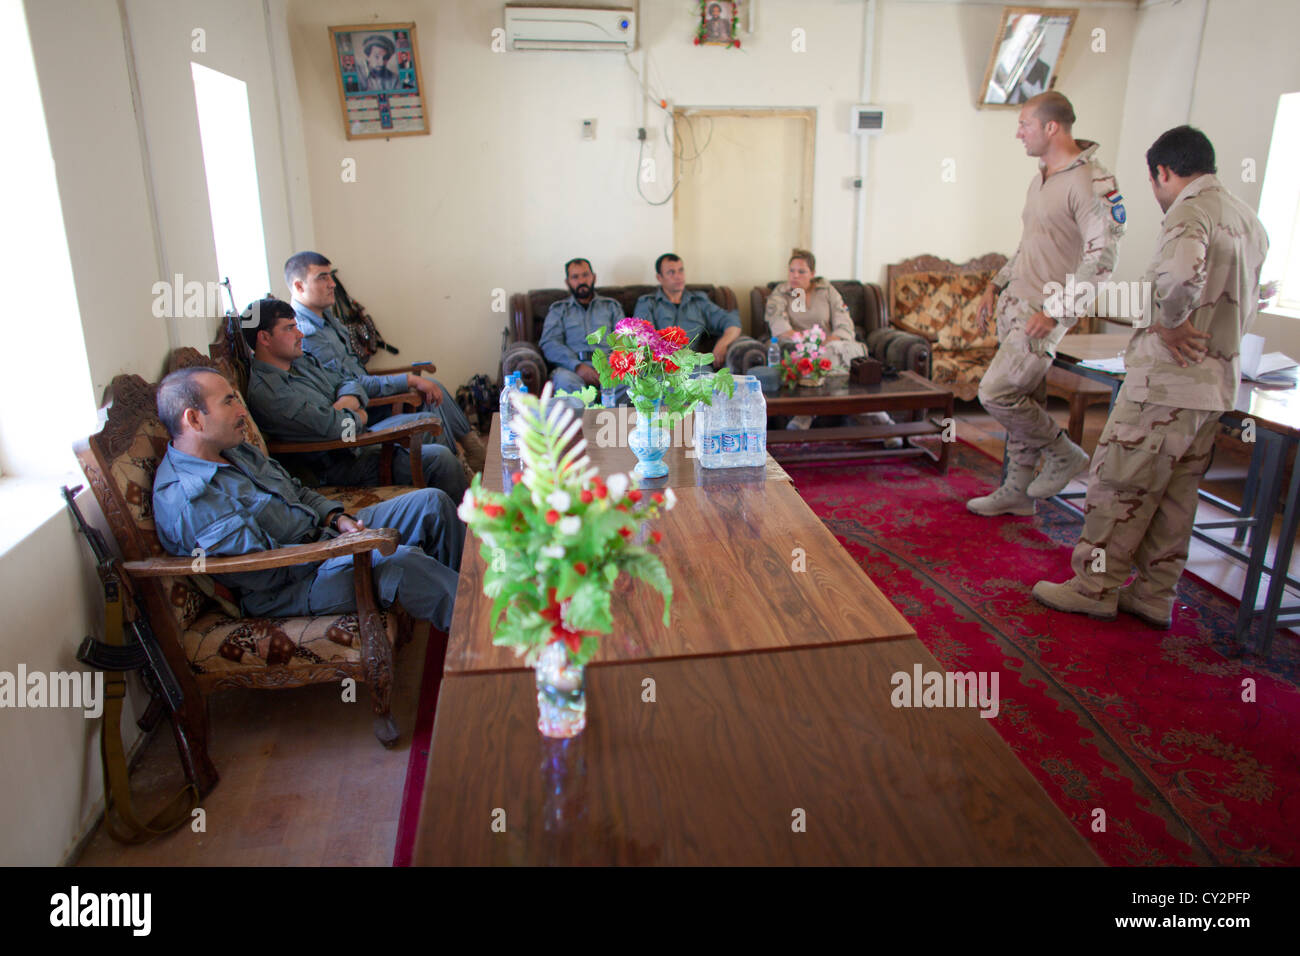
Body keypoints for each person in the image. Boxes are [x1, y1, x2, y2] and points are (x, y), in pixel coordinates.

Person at [1032, 126, 1268, 627]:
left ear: (1162, 171)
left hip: (1166, 385)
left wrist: (1173, 320)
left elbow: (1179, 276)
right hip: (1213, 389)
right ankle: (1156, 596)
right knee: (1176, 501)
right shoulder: (1248, 220)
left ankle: (1094, 587)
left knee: (1119, 486)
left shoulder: (1190, 211)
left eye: (1154, 183)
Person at [152, 366, 462, 630]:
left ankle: (471, 595)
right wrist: (341, 549)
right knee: (402, 563)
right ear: (194, 420)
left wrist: (337, 519)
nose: (242, 411)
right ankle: (487, 631)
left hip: (323, 538)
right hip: (297, 583)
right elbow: (265, 573)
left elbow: (296, 491)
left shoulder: (233, 450)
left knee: (430, 504)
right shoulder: (192, 498)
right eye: (229, 401)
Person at [969, 91, 1126, 517]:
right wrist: (995, 284)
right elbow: (1029, 245)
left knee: (995, 393)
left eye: (1024, 124)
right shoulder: (1042, 177)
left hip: (1043, 314)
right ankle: (1017, 492)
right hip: (1016, 306)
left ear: (1051, 127)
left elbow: (1102, 259)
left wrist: (1057, 311)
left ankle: (1065, 453)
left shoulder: (1092, 181)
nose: (1018, 132)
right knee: (1025, 401)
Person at [242, 297, 468, 501]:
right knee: (440, 459)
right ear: (264, 338)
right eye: (290, 328)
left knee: (429, 423)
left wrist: (346, 405)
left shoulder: (299, 362)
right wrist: (357, 413)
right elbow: (338, 428)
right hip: (340, 465)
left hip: (356, 441)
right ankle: (468, 529)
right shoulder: (270, 393)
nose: (300, 334)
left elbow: (350, 382)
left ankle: (451, 506)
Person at [284, 251, 484, 471]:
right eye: (322, 277)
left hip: (365, 393)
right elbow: (349, 383)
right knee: (427, 395)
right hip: (357, 409)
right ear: (299, 287)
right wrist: (408, 380)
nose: (332, 284)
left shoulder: (327, 319)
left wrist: (408, 381)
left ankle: (471, 453)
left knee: (431, 387)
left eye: (331, 276)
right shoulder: (306, 333)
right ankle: (459, 467)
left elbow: (356, 377)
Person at [765, 249, 884, 431]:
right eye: (791, 270)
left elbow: (845, 325)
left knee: (840, 351)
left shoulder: (827, 290)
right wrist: (812, 343)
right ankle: (878, 418)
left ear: (812, 274)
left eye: (801, 271)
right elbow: (780, 327)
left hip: (833, 345)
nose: (794, 276)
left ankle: (803, 417)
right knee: (822, 356)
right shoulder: (780, 293)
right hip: (800, 346)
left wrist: (828, 342)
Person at [538, 258, 625, 407]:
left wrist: (610, 366)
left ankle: (616, 425)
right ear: (567, 282)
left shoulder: (611, 306)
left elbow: (624, 338)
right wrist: (577, 366)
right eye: (575, 277)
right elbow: (549, 343)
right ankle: (587, 425)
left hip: (609, 368)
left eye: (585, 275)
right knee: (565, 381)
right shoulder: (559, 310)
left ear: (594, 277)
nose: (581, 281)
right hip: (572, 370)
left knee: (631, 382)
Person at [633, 253, 741, 369]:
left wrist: (723, 343)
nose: (678, 276)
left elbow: (732, 321)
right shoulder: (647, 303)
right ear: (659, 277)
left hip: (693, 367)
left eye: (681, 270)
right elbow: (643, 339)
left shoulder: (699, 302)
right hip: (660, 369)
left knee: (708, 381)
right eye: (671, 272)